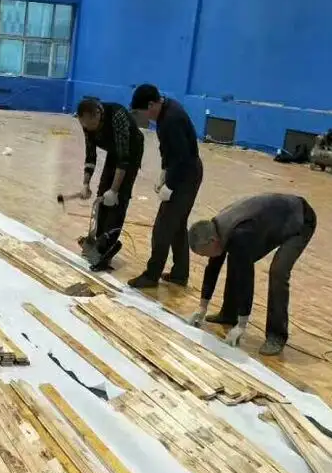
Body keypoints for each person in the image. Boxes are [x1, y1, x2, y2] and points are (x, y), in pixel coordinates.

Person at [186, 194, 317, 356]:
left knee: (278, 272)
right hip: (274, 218)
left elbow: (246, 278)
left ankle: (276, 336)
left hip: (300, 220)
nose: (207, 257)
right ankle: (228, 314)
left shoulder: (239, 234)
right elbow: (212, 268)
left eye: (205, 253)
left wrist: (242, 325)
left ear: (212, 241)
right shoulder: (215, 230)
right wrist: (202, 308)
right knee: (236, 257)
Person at [128, 83, 203, 289]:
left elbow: (182, 158)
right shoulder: (165, 110)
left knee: (163, 226)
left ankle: (152, 275)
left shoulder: (171, 119)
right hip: (183, 170)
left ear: (152, 104)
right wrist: (163, 171)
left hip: (185, 174)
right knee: (177, 225)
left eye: (143, 112)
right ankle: (180, 274)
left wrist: (169, 185)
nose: (144, 117)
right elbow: (167, 149)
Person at [75, 96, 144, 271]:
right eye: (84, 125)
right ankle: (98, 242)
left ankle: (107, 247)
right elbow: (91, 154)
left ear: (97, 114)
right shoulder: (87, 123)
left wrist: (114, 190)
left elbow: (123, 159)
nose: (87, 129)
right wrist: (85, 183)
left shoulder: (117, 116)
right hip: (114, 152)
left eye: (90, 125)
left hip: (131, 152)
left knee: (117, 199)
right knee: (101, 196)